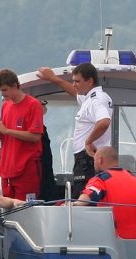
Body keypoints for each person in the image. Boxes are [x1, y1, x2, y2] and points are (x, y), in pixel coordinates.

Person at [38, 62, 112, 199]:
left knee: (83, 196)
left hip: (87, 159)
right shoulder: (90, 98)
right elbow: (75, 92)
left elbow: (104, 121)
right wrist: (54, 78)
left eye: (77, 81)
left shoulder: (96, 100)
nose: (74, 84)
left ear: (89, 81)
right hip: (85, 159)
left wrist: (88, 141)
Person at [0, 68, 45, 200]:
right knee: (9, 211)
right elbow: (5, 137)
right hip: (7, 169)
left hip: (26, 169)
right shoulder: (5, 105)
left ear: (15, 86)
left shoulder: (33, 105)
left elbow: (35, 136)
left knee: (25, 209)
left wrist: (7, 131)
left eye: (4, 90)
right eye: (0, 90)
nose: (2, 93)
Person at [74, 146, 136, 239]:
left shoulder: (101, 179)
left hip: (115, 244)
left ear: (100, 160)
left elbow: (89, 194)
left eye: (94, 160)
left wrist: (75, 204)